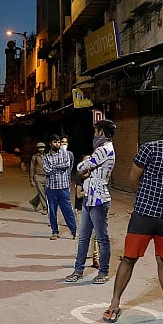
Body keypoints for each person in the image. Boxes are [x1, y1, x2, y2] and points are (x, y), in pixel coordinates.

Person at [103, 114, 163, 324]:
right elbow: (133, 178)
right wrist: (145, 199)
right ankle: (114, 303)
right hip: (143, 215)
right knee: (129, 258)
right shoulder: (150, 149)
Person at [65, 120, 116, 284]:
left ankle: (103, 272)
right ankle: (78, 270)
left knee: (101, 239)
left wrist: (85, 166)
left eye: (96, 131)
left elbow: (82, 167)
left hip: (99, 199)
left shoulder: (104, 149)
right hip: (90, 197)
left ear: (102, 132)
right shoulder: (103, 149)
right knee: (83, 237)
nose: (94, 135)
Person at [43, 134, 77, 240]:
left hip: (63, 187)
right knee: (52, 211)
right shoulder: (46, 157)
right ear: (50, 144)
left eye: (58, 142)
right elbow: (46, 170)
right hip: (51, 188)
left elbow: (66, 165)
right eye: (55, 142)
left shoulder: (65, 153)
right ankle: (55, 232)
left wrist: (53, 167)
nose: (57, 144)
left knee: (67, 210)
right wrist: (59, 168)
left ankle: (74, 231)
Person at [28, 142, 48, 214]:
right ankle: (45, 208)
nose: (41, 149)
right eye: (39, 148)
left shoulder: (47, 156)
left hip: (46, 176)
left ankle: (34, 202)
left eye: (42, 148)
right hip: (38, 176)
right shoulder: (35, 157)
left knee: (45, 192)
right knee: (41, 192)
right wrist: (31, 179)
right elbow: (32, 167)